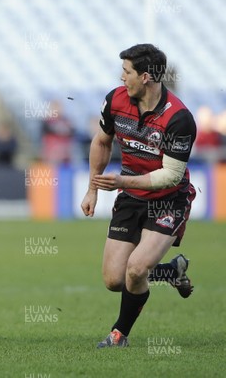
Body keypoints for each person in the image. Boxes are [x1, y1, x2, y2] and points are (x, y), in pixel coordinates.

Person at [81, 44, 196, 348]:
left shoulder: (180, 118)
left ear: (146, 76)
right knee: (114, 280)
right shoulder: (115, 100)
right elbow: (102, 141)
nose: (122, 78)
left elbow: (170, 175)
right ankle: (170, 271)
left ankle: (119, 334)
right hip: (132, 196)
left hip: (169, 199)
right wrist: (92, 188)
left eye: (127, 72)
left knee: (136, 269)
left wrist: (121, 180)